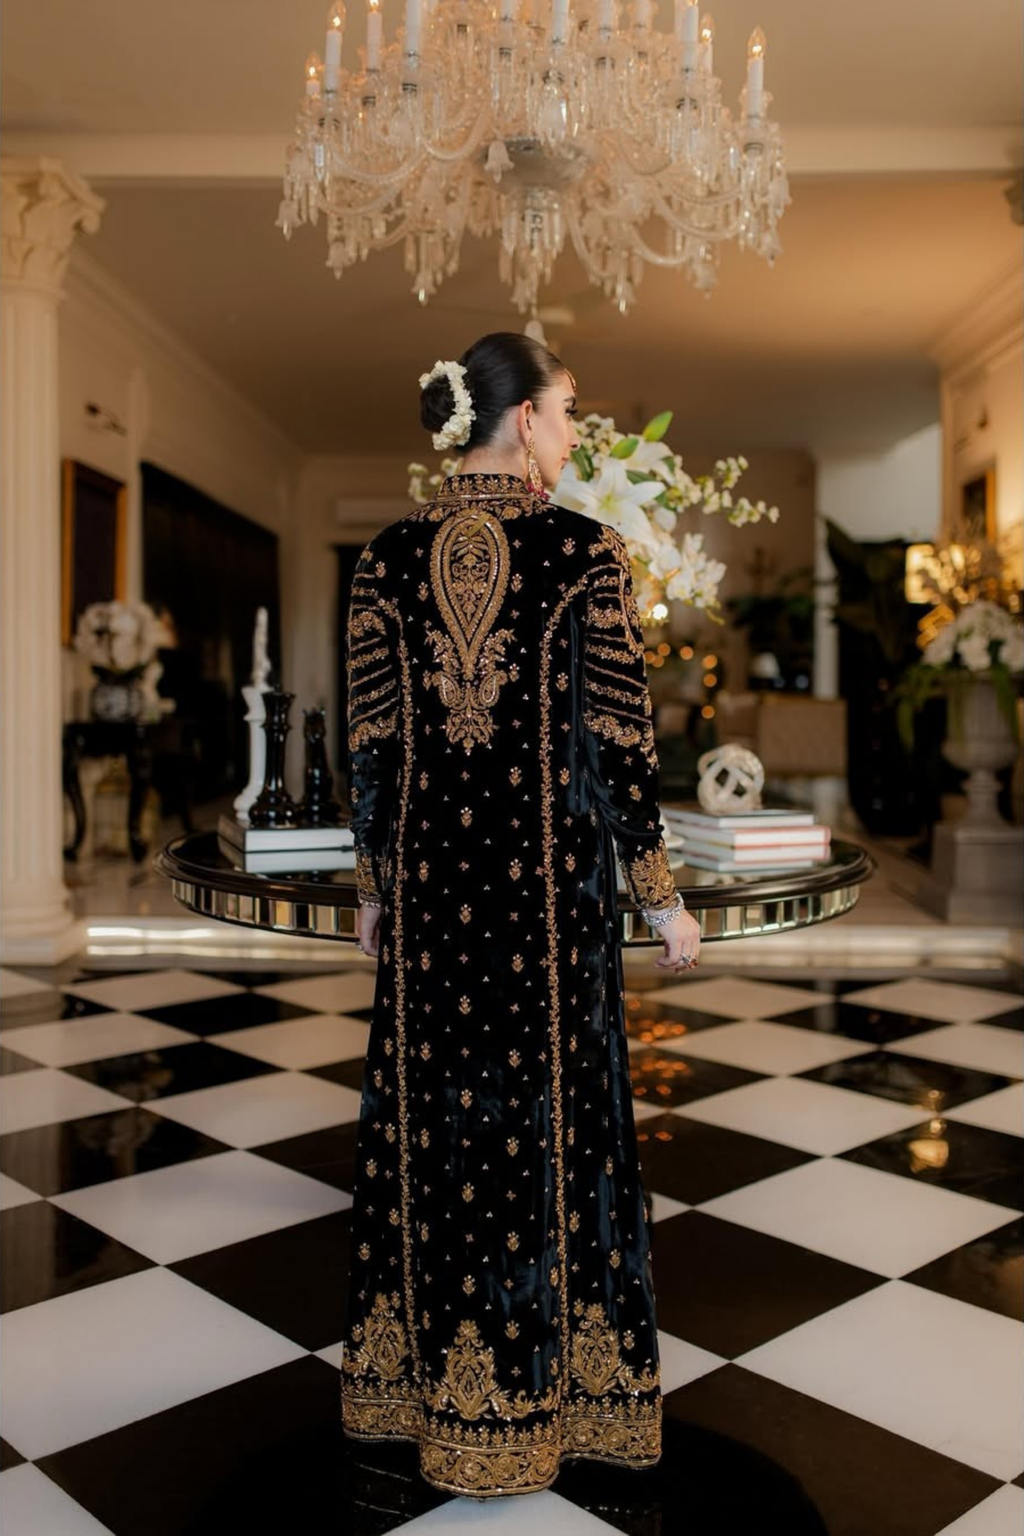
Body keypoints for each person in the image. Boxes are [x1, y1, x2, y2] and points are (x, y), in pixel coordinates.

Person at [341, 332, 701, 1499]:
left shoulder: (383, 560)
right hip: (548, 910)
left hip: (438, 909)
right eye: (567, 409)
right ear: (526, 421)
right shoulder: (586, 554)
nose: (573, 430)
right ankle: (562, 1406)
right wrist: (660, 892)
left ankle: (425, 1400)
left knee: (436, 1132)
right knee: (554, 1139)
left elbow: (372, 750)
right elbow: (617, 744)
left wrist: (376, 890)